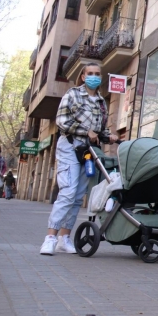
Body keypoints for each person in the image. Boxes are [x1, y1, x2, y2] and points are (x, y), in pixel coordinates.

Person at [41, 63, 117, 256]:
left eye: (97, 74)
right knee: (67, 192)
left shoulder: (101, 102)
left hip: (89, 151)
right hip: (70, 146)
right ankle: (50, 237)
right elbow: (62, 121)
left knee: (77, 197)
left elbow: (100, 130)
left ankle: (64, 238)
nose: (94, 76)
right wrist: (86, 131)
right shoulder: (72, 94)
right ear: (83, 76)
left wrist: (110, 136)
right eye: (90, 73)